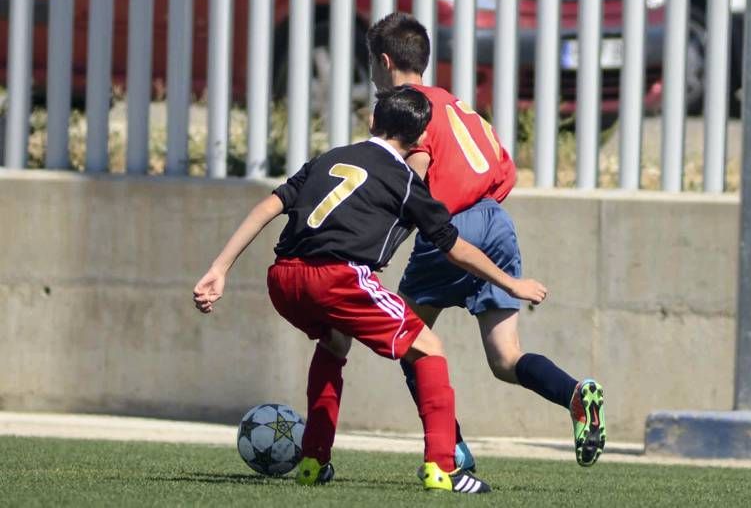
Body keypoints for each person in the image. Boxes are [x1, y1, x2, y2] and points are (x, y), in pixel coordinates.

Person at [192, 86, 548, 493]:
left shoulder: (328, 159)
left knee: (334, 343)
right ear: (417, 141)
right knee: (430, 348)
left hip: (284, 278)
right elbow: (456, 248)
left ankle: (313, 460)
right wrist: (511, 282)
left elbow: (268, 206)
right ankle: (443, 468)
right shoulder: (406, 181)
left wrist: (219, 269)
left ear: (372, 122)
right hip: (338, 278)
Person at [366, 13, 606, 468]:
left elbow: (410, 178)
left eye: (371, 65)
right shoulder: (461, 106)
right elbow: (505, 170)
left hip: (452, 227)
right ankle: (575, 395)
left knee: (407, 340)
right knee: (505, 358)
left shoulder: (399, 107)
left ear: (383, 61)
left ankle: (451, 450)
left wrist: (382, 236)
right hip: (497, 220)